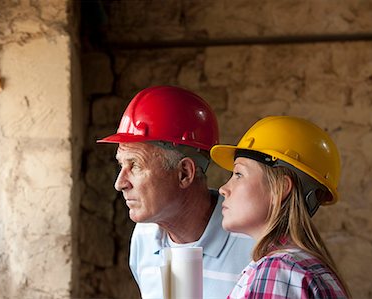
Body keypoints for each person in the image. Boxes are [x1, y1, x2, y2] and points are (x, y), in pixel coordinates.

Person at [97, 86, 255, 299]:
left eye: (135, 165)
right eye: (121, 165)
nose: (120, 183)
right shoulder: (144, 237)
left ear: (184, 173)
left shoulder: (255, 246)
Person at [210, 116, 351, 298]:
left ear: (281, 188)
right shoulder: (303, 266)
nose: (223, 189)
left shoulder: (278, 272)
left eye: (238, 174)